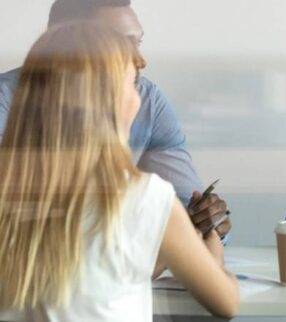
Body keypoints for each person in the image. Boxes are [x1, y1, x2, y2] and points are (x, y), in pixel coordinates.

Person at [0, 22, 238, 321]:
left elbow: (102, 275)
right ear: (108, 105)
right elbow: (225, 301)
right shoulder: (145, 198)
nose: (139, 98)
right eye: (130, 84)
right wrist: (208, 234)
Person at [0, 0, 231, 238]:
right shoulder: (5, 100)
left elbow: (186, 210)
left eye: (137, 43)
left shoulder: (147, 101)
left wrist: (209, 222)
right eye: (118, 44)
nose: (140, 59)